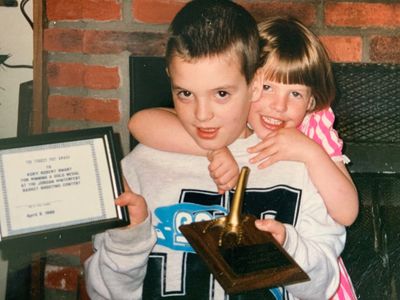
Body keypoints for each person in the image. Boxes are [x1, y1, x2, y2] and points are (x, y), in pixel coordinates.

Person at [85, 2, 345, 299]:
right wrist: (127, 241)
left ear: (255, 85)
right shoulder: (140, 165)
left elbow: (324, 286)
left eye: (221, 94)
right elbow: (101, 292)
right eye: (185, 94)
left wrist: (288, 246)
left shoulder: (300, 167)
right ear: (170, 78)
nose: (202, 115)